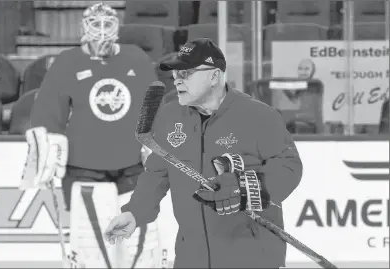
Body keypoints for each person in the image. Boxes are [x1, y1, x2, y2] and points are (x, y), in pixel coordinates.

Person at [105, 38, 303, 268]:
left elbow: (289, 166)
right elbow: (156, 174)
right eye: (175, 73)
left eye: (186, 73)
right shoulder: (170, 117)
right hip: (192, 256)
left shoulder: (258, 116)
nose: (177, 79)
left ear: (214, 76)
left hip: (251, 255)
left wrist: (245, 187)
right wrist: (134, 213)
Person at [21, 2, 158, 268]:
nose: (102, 30)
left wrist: (155, 146)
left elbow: (153, 106)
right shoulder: (68, 61)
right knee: (90, 245)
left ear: (118, 27)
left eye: (108, 24)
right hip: (83, 166)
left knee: (142, 243)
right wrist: (47, 153)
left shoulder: (136, 58)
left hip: (133, 165)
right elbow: (47, 113)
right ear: (84, 27)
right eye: (96, 24)